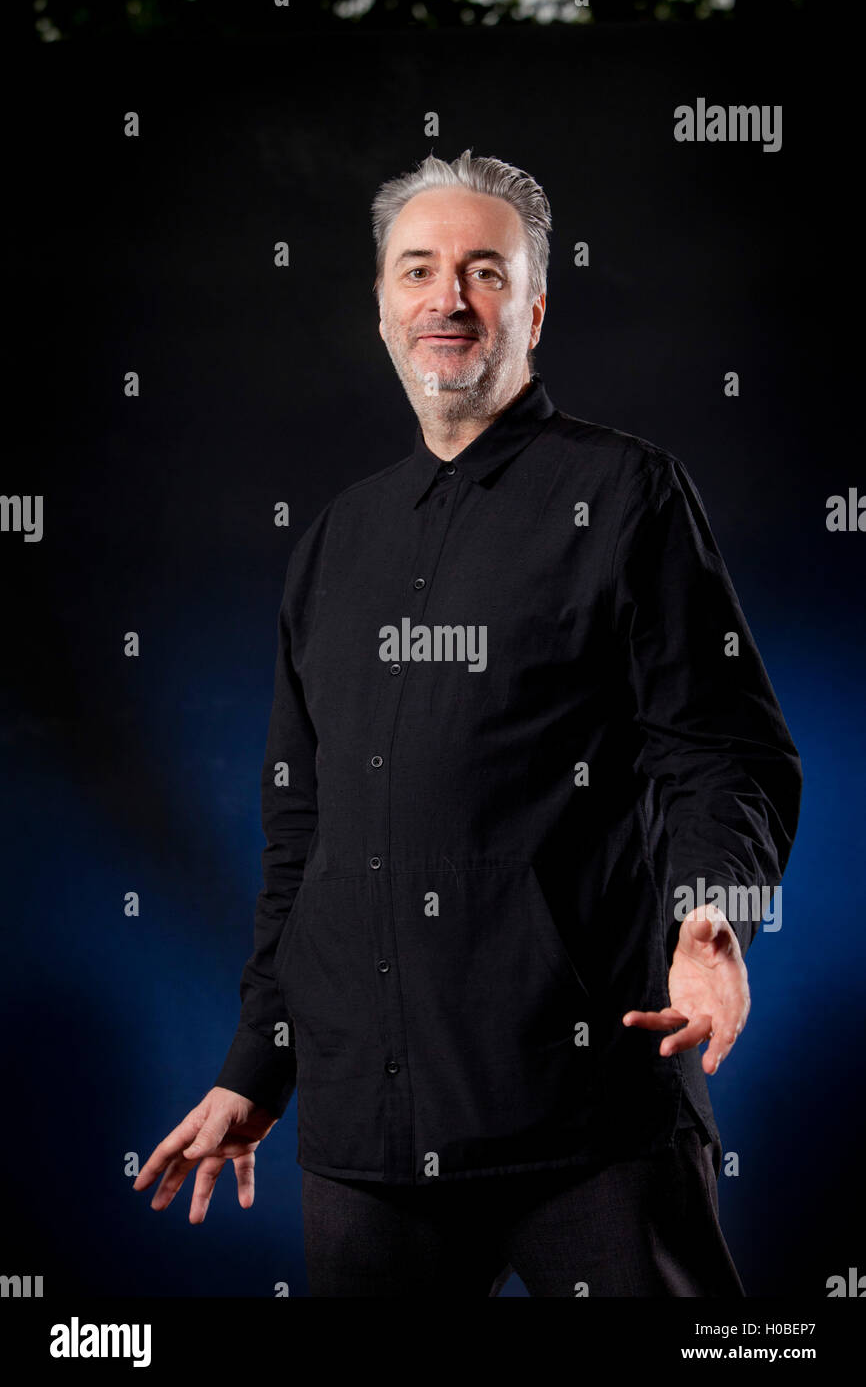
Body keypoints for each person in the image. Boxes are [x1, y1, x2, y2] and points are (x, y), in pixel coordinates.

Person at [134, 150, 802, 1297]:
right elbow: (303, 845)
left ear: (532, 309)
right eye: (418, 270)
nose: (447, 298)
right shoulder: (333, 544)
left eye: (483, 271)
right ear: (383, 306)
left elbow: (728, 752)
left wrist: (715, 922)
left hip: (586, 1115)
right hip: (364, 1138)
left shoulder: (629, 494)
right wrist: (258, 1065)